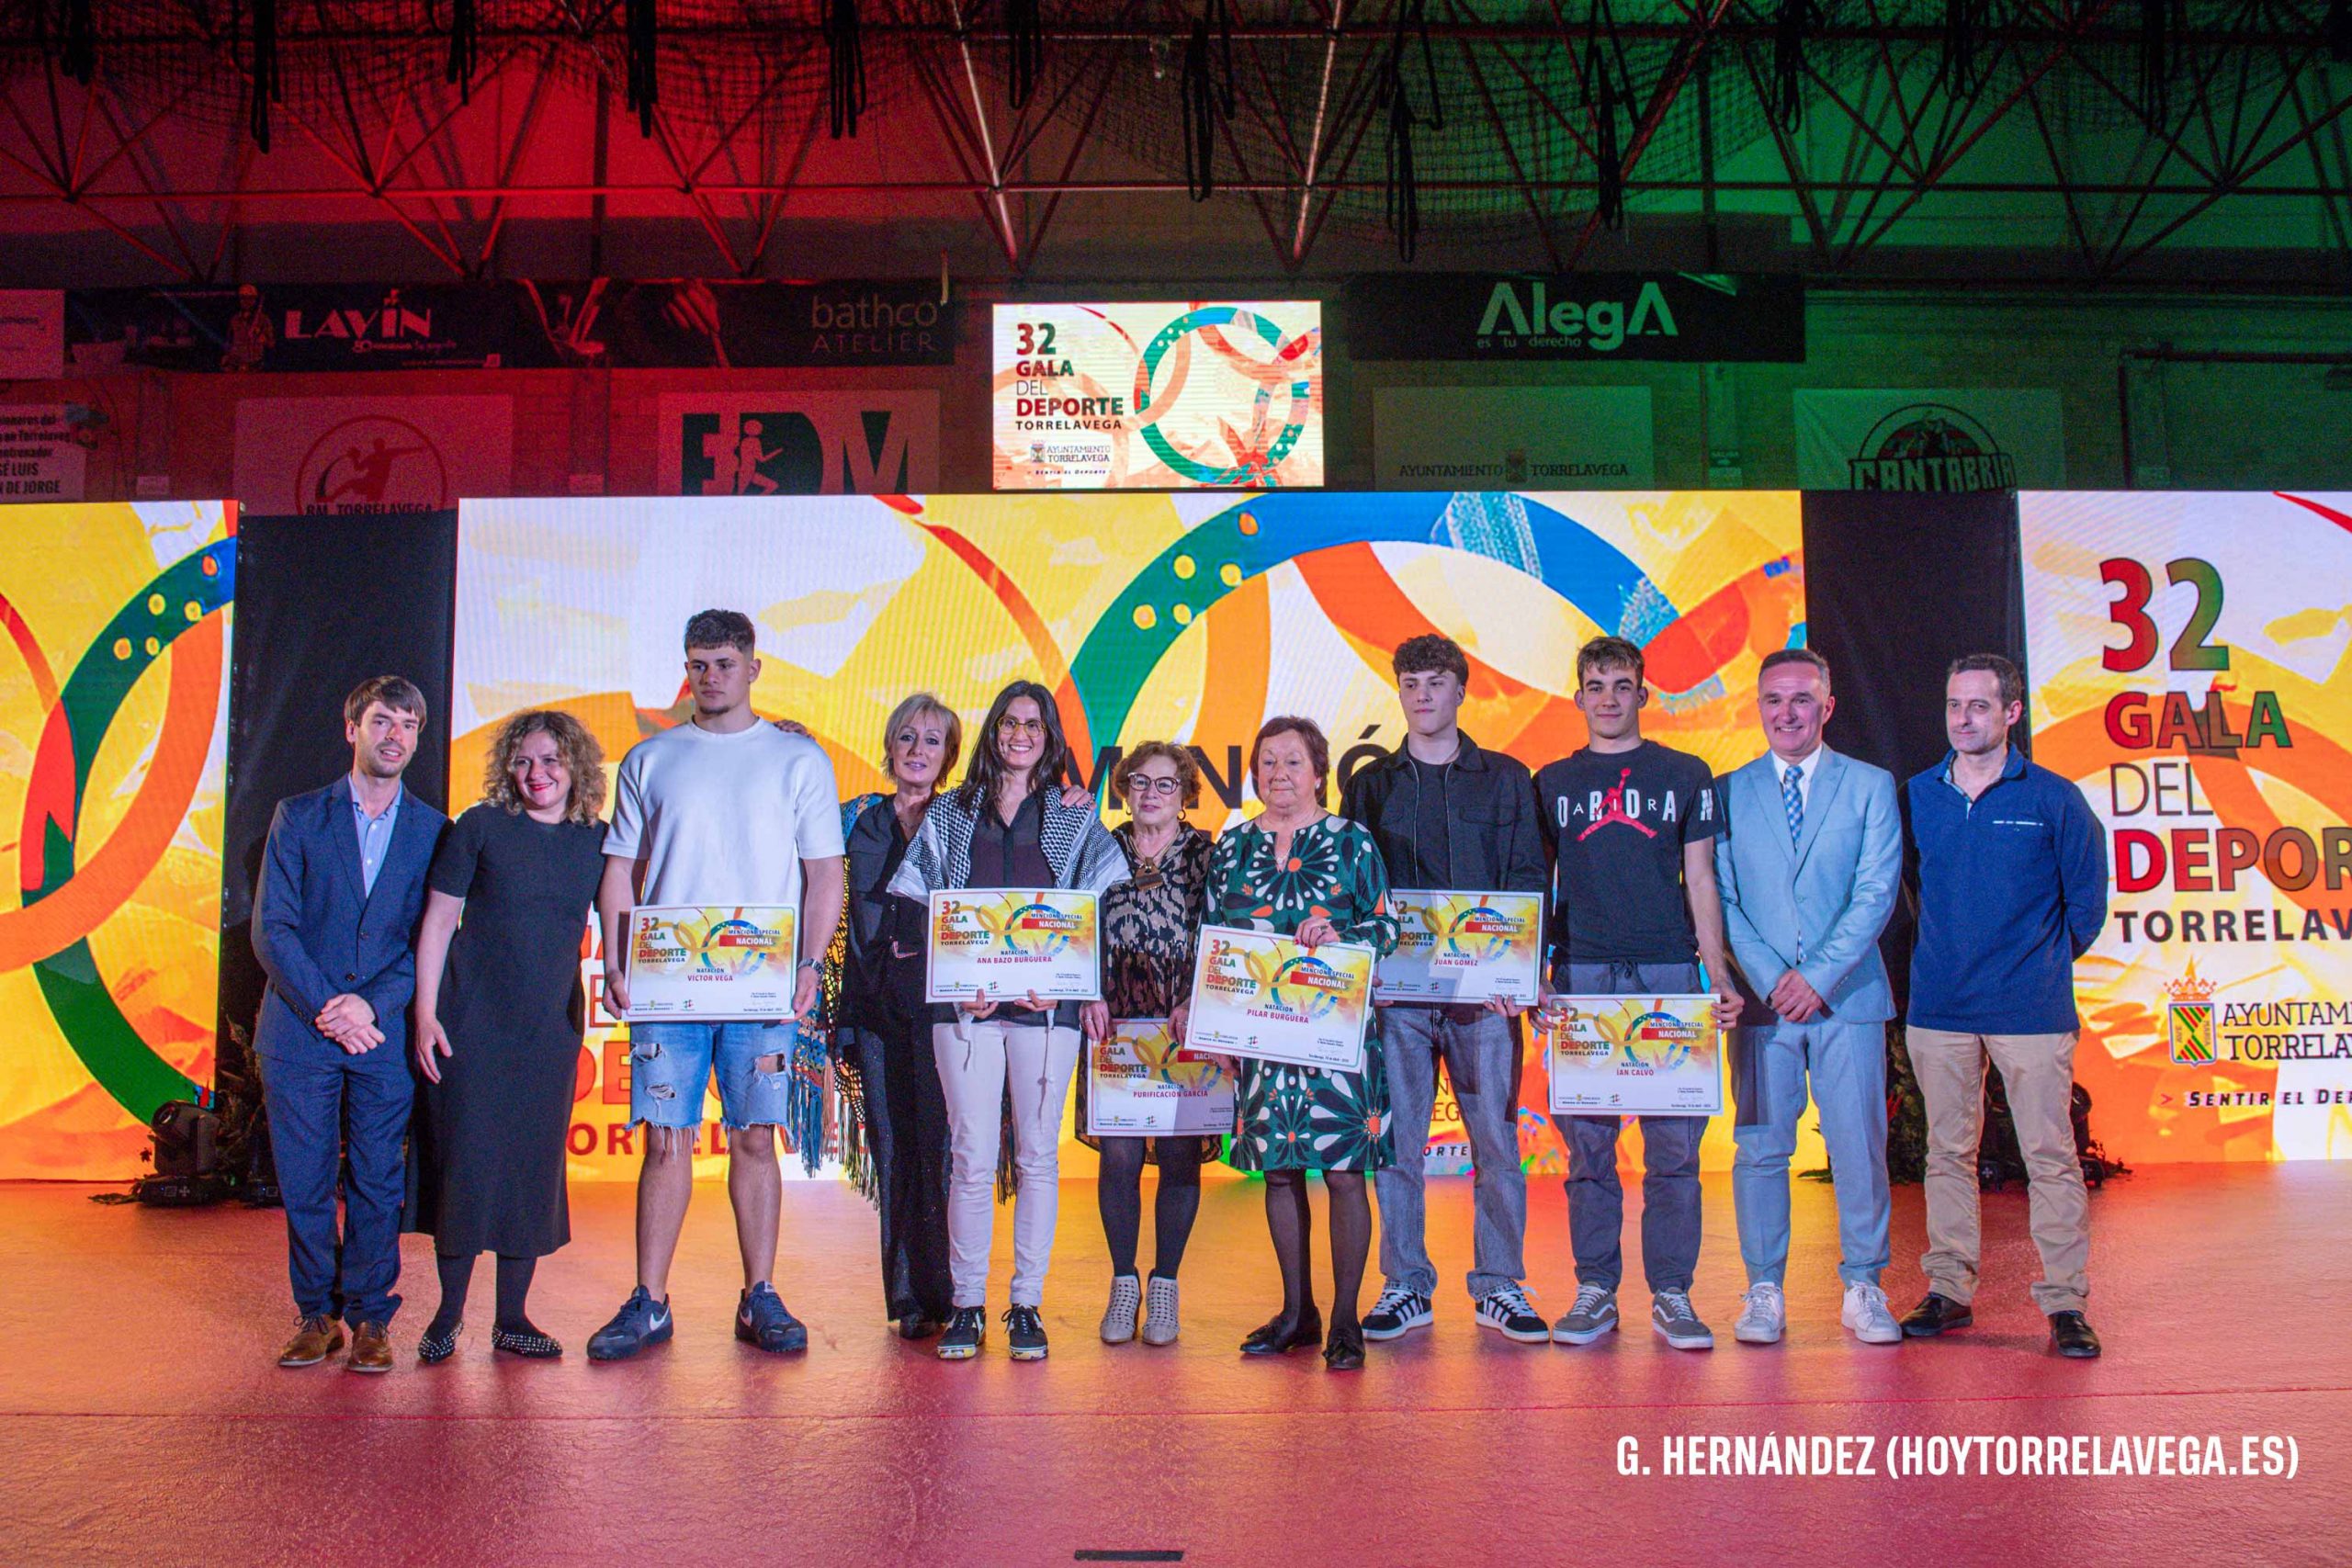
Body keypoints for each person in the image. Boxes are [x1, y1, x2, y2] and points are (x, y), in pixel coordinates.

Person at [585, 609, 847, 1361]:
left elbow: (824, 873)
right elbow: (619, 871)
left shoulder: (799, 760)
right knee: (665, 1139)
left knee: (756, 1137)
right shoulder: (650, 758)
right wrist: (616, 962)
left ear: (753, 668)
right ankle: (650, 1300)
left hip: (762, 989)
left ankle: (759, 1293)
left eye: (725, 663)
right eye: (698, 664)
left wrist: (809, 962)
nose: (711, 677)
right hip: (668, 987)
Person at [888, 681, 1127, 1362]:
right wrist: (958, 978)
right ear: (992, 732)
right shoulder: (951, 812)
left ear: (1050, 738)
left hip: (1049, 1013)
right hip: (964, 1009)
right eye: (1009, 723)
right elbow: (914, 907)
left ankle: (1026, 1304)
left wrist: (1077, 983)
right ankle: (967, 1305)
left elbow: (1098, 910)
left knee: (1038, 1156)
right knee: (969, 1157)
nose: (1020, 734)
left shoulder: (1073, 815)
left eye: (1034, 725)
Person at [1534, 636, 1742, 1353]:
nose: (1609, 698)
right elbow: (1538, 885)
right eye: (1596, 685)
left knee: (1674, 1149)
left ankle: (1672, 1291)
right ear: (1578, 697)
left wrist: (1717, 974)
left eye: (1622, 685)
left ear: (1644, 694)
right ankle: (1595, 1287)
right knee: (1589, 1149)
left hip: (1669, 977)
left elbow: (1702, 879)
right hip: (1583, 978)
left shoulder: (1686, 773)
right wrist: (1535, 971)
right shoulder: (1551, 782)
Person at [1342, 634, 1549, 1347]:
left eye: (1435, 682)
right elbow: (1355, 886)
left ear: (1461, 690)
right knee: (1397, 1145)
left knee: (1496, 1143)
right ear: (1399, 692)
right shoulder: (1371, 785)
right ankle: (1406, 1283)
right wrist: (1362, 973)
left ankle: (1499, 1284)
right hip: (1397, 998)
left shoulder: (1508, 778)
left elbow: (1528, 878)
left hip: (1484, 999)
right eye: (1410, 683)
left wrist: (1520, 973)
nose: (1422, 694)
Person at [1900, 653, 2108, 1359]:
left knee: (2050, 1155)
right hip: (1940, 1007)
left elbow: (2086, 903)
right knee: (1947, 1152)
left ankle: (2066, 1302)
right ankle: (1949, 1290)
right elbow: (1907, 886)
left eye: (1980, 706)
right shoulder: (1917, 794)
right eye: (1954, 705)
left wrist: (2038, 964)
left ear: (2012, 712)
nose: (1963, 719)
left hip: (2031, 1010)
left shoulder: (2055, 798)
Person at [1184, 716, 1399, 1372]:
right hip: (1262, 1038)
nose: (1279, 773)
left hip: (1338, 1036)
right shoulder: (1233, 845)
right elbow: (1214, 940)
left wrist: (1342, 936)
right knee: (1278, 1171)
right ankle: (1297, 1312)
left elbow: (1387, 927)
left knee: (1344, 1173)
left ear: (1319, 771)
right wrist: (1214, 1028)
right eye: (1268, 762)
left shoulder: (1353, 841)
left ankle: (1345, 1321)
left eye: (1293, 761)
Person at [250, 676, 447, 1374]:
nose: (395, 735)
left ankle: (369, 1317)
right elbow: (272, 929)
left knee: (376, 1179)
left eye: (408, 725)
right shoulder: (299, 816)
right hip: (299, 1032)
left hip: (381, 1033)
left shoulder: (433, 830)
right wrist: (330, 1008)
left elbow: (432, 937)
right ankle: (316, 1314)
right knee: (305, 1181)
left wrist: (371, 1005)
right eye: (382, 721)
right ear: (351, 728)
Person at [1713, 649, 1904, 1348]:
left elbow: (1876, 891)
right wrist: (1772, 978)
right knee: (1760, 1148)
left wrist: (1817, 976)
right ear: (1758, 706)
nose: (1786, 713)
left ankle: (1864, 1284)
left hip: (1847, 999)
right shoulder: (1727, 791)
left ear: (1827, 706)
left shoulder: (1870, 785)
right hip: (1763, 1007)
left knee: (1858, 1147)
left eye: (1801, 699)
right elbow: (1722, 899)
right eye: (1773, 699)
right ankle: (1764, 1287)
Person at [407, 710, 611, 1362]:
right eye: (522, 761)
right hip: (469, 1020)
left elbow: (620, 921)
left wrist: (626, 980)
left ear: (575, 765)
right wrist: (425, 1014)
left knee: (530, 1168)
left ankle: (512, 1318)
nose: (535, 773)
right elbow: (438, 922)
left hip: (548, 1028)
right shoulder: (480, 826)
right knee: (466, 1164)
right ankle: (447, 1316)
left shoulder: (598, 840)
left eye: (550, 760)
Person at [821, 694, 963, 1340]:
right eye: (907, 737)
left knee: (942, 1149)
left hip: (946, 1013)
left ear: (948, 755)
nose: (917, 750)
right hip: (875, 1009)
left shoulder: (962, 820)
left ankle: (952, 1292)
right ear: (889, 746)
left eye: (931, 741)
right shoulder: (857, 821)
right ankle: (907, 1296)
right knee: (892, 1149)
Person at [1080, 742, 1217, 1348]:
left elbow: (1222, 933)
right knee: (1119, 1157)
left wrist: (1201, 1002)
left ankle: (1165, 1283)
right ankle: (1122, 1282)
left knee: (1181, 1157)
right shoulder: (1099, 848)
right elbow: (1076, 926)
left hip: (1186, 1023)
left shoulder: (1207, 855)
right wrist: (1087, 990)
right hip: (1116, 1025)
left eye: (1165, 784)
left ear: (1184, 793)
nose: (1151, 793)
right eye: (1140, 781)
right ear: (1124, 789)